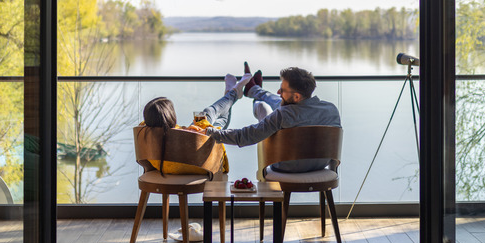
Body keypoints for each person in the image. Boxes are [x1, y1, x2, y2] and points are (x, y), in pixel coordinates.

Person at [205, 65, 341, 173]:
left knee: (262, 106)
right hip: (320, 166)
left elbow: (246, 136)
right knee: (280, 102)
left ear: (297, 96)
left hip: (286, 166)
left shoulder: (282, 115)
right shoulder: (331, 109)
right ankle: (254, 90)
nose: (278, 92)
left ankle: (253, 93)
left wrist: (210, 132)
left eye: (282, 90)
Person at [140, 73, 251, 175]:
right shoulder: (185, 135)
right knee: (208, 112)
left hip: (172, 167)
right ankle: (234, 92)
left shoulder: (146, 135)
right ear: (171, 116)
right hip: (199, 164)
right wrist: (192, 128)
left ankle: (232, 92)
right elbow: (199, 137)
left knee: (218, 123)